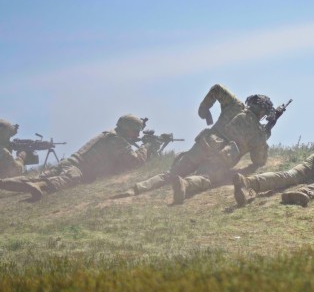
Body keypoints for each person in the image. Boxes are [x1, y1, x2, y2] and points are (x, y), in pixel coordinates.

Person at [117, 84, 276, 205]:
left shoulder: (235, 106)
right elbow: (259, 161)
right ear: (263, 113)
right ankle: (185, 184)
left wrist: (204, 110)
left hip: (204, 144)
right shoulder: (259, 133)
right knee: (205, 177)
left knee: (171, 172)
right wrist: (267, 131)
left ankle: (135, 189)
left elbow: (217, 88)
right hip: (222, 158)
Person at [0, 114, 159, 201]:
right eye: (135, 130)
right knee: (63, 181)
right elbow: (134, 162)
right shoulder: (117, 141)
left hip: (67, 163)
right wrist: (148, 147)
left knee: (33, 178)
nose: (138, 134)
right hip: (76, 169)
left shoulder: (109, 135)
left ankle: (5, 184)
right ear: (127, 128)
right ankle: (40, 187)